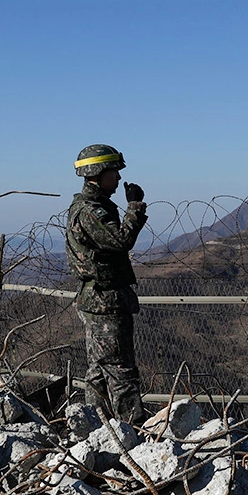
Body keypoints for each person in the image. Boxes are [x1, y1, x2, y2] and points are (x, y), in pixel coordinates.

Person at [65, 144, 148, 423]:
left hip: (102, 300)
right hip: (105, 302)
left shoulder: (94, 207)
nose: (119, 179)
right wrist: (134, 207)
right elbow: (120, 240)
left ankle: (97, 428)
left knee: (99, 370)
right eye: (114, 172)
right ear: (98, 174)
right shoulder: (90, 211)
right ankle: (131, 433)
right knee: (119, 369)